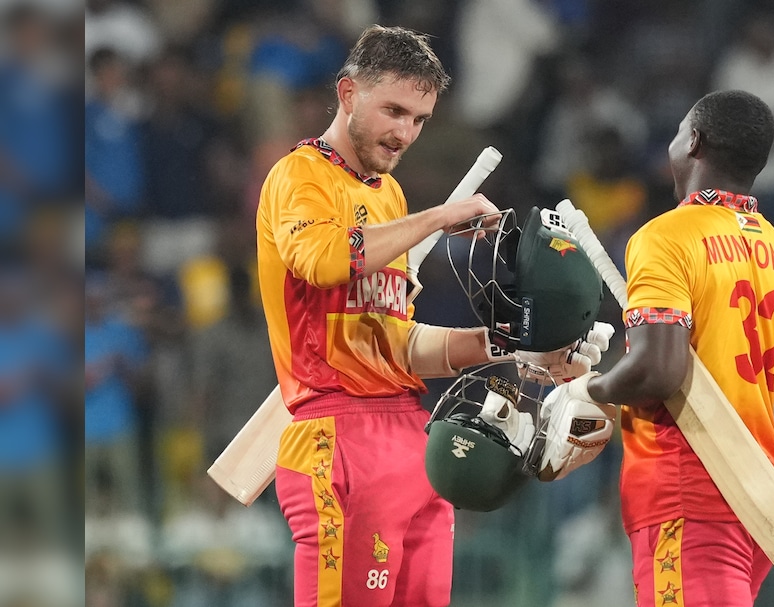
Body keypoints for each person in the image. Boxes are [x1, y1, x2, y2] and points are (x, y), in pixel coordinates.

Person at [256, 25, 607, 607]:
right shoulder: (300, 175)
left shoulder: (387, 195)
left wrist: (511, 346)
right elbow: (321, 260)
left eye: (419, 119)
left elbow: (397, 342)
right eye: (394, 111)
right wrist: (439, 218)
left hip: (413, 437)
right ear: (348, 93)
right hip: (336, 434)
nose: (405, 134)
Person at [543, 90, 774, 606]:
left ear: (694, 143)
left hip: (685, 491)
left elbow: (658, 370)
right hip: (759, 503)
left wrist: (588, 390)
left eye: (677, 132)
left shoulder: (666, 237)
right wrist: (753, 455)